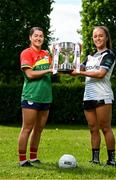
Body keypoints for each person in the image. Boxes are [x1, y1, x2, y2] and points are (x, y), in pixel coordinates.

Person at [71, 26, 116, 166]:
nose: (98, 38)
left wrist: (80, 73)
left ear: (106, 38)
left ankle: (111, 160)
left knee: (105, 128)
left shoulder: (108, 55)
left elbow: (100, 74)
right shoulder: (90, 56)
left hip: (102, 96)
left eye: (101, 36)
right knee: (93, 129)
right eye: (95, 36)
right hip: (88, 96)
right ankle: (95, 159)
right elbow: (76, 67)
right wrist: (77, 53)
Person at [18, 27, 53, 167]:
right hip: (31, 95)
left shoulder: (47, 54)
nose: (38, 38)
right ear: (30, 38)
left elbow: (56, 69)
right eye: (36, 36)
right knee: (27, 128)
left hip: (46, 96)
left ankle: (33, 157)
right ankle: (22, 160)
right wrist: (49, 70)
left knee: (38, 129)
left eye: (41, 36)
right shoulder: (26, 53)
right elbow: (30, 74)